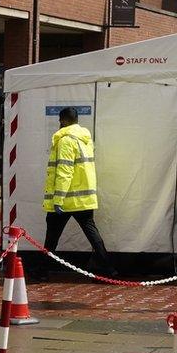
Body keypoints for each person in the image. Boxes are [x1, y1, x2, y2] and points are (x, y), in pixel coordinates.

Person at [39, 107, 117, 280]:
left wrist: (57, 199)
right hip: (84, 199)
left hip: (66, 200)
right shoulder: (85, 140)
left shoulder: (66, 140)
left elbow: (64, 171)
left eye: (60, 121)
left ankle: (43, 271)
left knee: (51, 238)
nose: (59, 124)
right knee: (93, 234)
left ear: (64, 120)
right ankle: (109, 268)